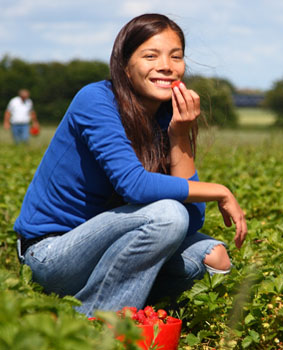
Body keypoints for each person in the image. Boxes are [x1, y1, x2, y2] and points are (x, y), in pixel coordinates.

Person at [13, 13, 247, 317]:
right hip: (52, 253)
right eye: (151, 55)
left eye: (175, 56)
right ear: (124, 65)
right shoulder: (96, 100)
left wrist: (179, 135)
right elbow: (134, 185)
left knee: (213, 257)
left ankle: (120, 304)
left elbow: (192, 220)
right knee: (167, 216)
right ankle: (99, 323)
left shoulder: (167, 115)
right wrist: (219, 191)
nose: (166, 65)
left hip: (115, 247)